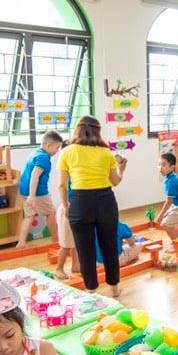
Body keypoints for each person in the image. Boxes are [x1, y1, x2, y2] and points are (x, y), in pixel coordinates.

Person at [58, 116, 126, 296]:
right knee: (109, 245)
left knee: (85, 250)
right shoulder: (106, 152)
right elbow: (115, 181)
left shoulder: (67, 151)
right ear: (98, 131)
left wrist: (65, 205)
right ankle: (114, 287)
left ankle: (91, 290)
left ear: (78, 130)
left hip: (80, 202)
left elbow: (62, 185)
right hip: (106, 201)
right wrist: (121, 169)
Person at [15, 130, 64, 249]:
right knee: (50, 212)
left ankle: (21, 243)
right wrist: (32, 195)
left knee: (29, 216)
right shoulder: (43, 158)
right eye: (56, 148)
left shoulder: (36, 152)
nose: (57, 151)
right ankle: (56, 239)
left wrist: (29, 194)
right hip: (38, 192)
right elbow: (34, 175)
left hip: (24, 190)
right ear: (48, 145)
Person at [155, 152, 178, 247]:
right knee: (170, 225)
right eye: (159, 164)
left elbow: (169, 201)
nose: (160, 167)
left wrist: (160, 215)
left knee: (166, 224)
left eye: (163, 165)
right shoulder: (171, 176)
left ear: (172, 167)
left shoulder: (171, 181)